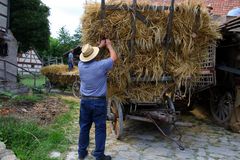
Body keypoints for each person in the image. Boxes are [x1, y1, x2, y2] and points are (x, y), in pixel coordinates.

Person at [78, 39, 117, 160]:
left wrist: (99, 47)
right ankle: (99, 155)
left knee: (84, 127)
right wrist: (109, 46)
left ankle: (81, 153)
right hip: (98, 102)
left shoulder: (80, 65)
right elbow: (114, 57)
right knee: (100, 128)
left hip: (85, 101)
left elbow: (90, 58)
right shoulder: (101, 65)